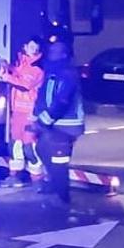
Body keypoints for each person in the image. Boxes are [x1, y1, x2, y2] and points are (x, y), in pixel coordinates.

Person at [33, 34, 86, 210]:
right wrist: (36, 115)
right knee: (42, 149)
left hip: (66, 125)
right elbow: (44, 97)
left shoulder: (67, 73)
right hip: (54, 123)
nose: (51, 53)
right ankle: (55, 185)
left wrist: (44, 121)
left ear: (65, 55)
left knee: (58, 160)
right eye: (51, 50)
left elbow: (61, 101)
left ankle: (62, 195)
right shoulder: (52, 72)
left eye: (57, 51)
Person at [0, 36, 45, 187]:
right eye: (31, 46)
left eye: (36, 47)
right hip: (17, 111)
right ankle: (13, 176)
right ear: (25, 47)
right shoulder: (22, 64)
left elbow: (24, 84)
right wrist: (5, 66)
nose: (33, 50)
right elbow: (17, 73)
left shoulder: (37, 69)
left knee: (29, 147)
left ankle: (38, 179)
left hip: (30, 113)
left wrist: (4, 75)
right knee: (15, 144)